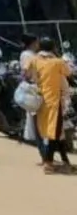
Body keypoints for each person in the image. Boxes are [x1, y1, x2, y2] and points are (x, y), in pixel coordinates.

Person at [23, 37, 73, 174]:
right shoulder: (58, 62)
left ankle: (64, 161)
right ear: (53, 48)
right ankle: (48, 163)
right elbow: (69, 72)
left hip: (40, 102)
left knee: (54, 133)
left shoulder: (34, 60)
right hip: (54, 104)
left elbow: (25, 73)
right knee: (54, 133)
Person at [19, 34, 44, 155]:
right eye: (37, 42)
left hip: (39, 86)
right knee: (35, 118)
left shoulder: (34, 54)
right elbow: (26, 72)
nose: (38, 44)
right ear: (33, 43)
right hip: (33, 88)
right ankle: (42, 150)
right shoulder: (26, 55)